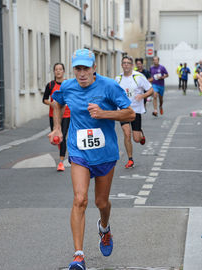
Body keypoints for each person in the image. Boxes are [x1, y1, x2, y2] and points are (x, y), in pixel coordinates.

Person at [48, 48, 135, 270]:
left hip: (105, 154)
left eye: (86, 68)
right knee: (80, 200)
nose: (82, 73)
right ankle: (78, 255)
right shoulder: (67, 87)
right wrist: (58, 127)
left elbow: (130, 113)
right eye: (78, 68)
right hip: (79, 152)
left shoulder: (108, 86)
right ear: (73, 70)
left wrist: (104, 113)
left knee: (101, 203)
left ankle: (104, 228)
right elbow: (56, 102)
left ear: (94, 68)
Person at [116, 56, 153, 168]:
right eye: (124, 63)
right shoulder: (118, 79)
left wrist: (142, 95)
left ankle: (141, 135)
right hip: (123, 110)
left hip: (136, 110)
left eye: (128, 63)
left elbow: (150, 90)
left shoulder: (138, 77)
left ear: (132, 65)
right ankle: (130, 159)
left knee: (136, 139)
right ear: (122, 65)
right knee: (126, 133)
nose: (126, 65)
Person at [43, 63, 70, 171]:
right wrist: (52, 104)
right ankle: (60, 147)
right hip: (53, 115)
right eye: (56, 69)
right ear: (54, 72)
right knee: (56, 138)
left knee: (62, 136)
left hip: (67, 114)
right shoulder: (50, 85)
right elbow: (44, 99)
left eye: (60, 69)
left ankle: (61, 162)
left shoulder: (68, 84)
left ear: (63, 71)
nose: (58, 71)